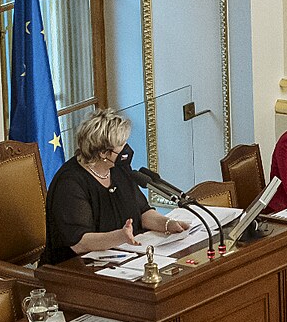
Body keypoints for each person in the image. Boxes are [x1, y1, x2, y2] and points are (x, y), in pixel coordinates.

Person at [43, 109, 188, 264]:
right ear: (103, 153)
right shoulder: (69, 184)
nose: (126, 148)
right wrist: (121, 236)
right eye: (120, 144)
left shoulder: (119, 169)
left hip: (124, 258)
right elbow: (79, 243)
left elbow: (142, 212)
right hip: (73, 267)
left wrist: (168, 224)